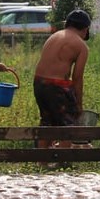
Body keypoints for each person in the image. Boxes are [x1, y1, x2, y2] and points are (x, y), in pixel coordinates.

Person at [33, 9, 91, 148]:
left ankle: (42, 158)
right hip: (56, 86)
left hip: (39, 83)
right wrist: (79, 104)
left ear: (67, 24)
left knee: (47, 122)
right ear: (85, 29)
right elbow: (77, 78)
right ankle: (63, 157)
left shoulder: (55, 36)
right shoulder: (81, 46)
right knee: (68, 125)